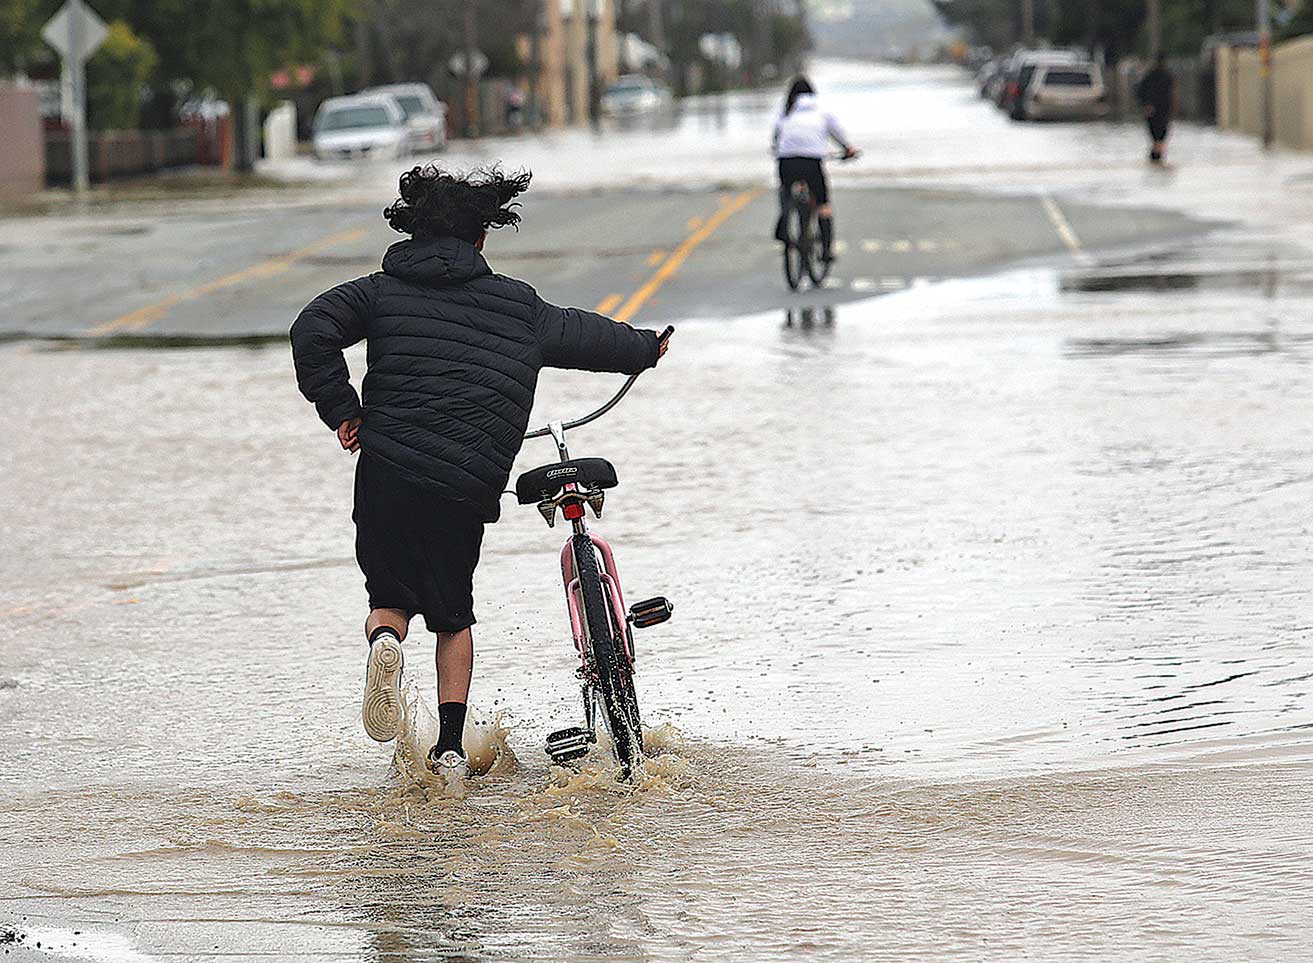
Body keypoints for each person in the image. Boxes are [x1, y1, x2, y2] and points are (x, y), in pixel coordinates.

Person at [290, 165, 670, 782]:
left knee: (388, 598)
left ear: (411, 232)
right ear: (483, 238)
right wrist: (645, 348)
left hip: (386, 468)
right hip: (465, 484)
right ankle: (447, 748)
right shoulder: (519, 306)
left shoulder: (378, 293)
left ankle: (385, 642)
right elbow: (585, 335)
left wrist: (343, 410)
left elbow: (312, 330)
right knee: (452, 615)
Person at [771, 76, 858, 263]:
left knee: (785, 192)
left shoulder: (785, 112)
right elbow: (838, 134)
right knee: (823, 204)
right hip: (811, 161)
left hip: (786, 161)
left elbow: (776, 138)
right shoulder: (821, 111)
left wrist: (779, 150)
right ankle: (826, 250)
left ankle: (784, 219)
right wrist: (848, 149)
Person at [1136, 55, 1176, 164]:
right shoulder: (1152, 77)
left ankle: (1156, 157)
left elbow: (1171, 94)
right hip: (1157, 111)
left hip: (1161, 111)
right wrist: (1147, 104)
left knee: (1159, 136)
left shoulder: (1164, 76)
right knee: (1158, 136)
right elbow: (1141, 91)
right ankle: (1156, 157)